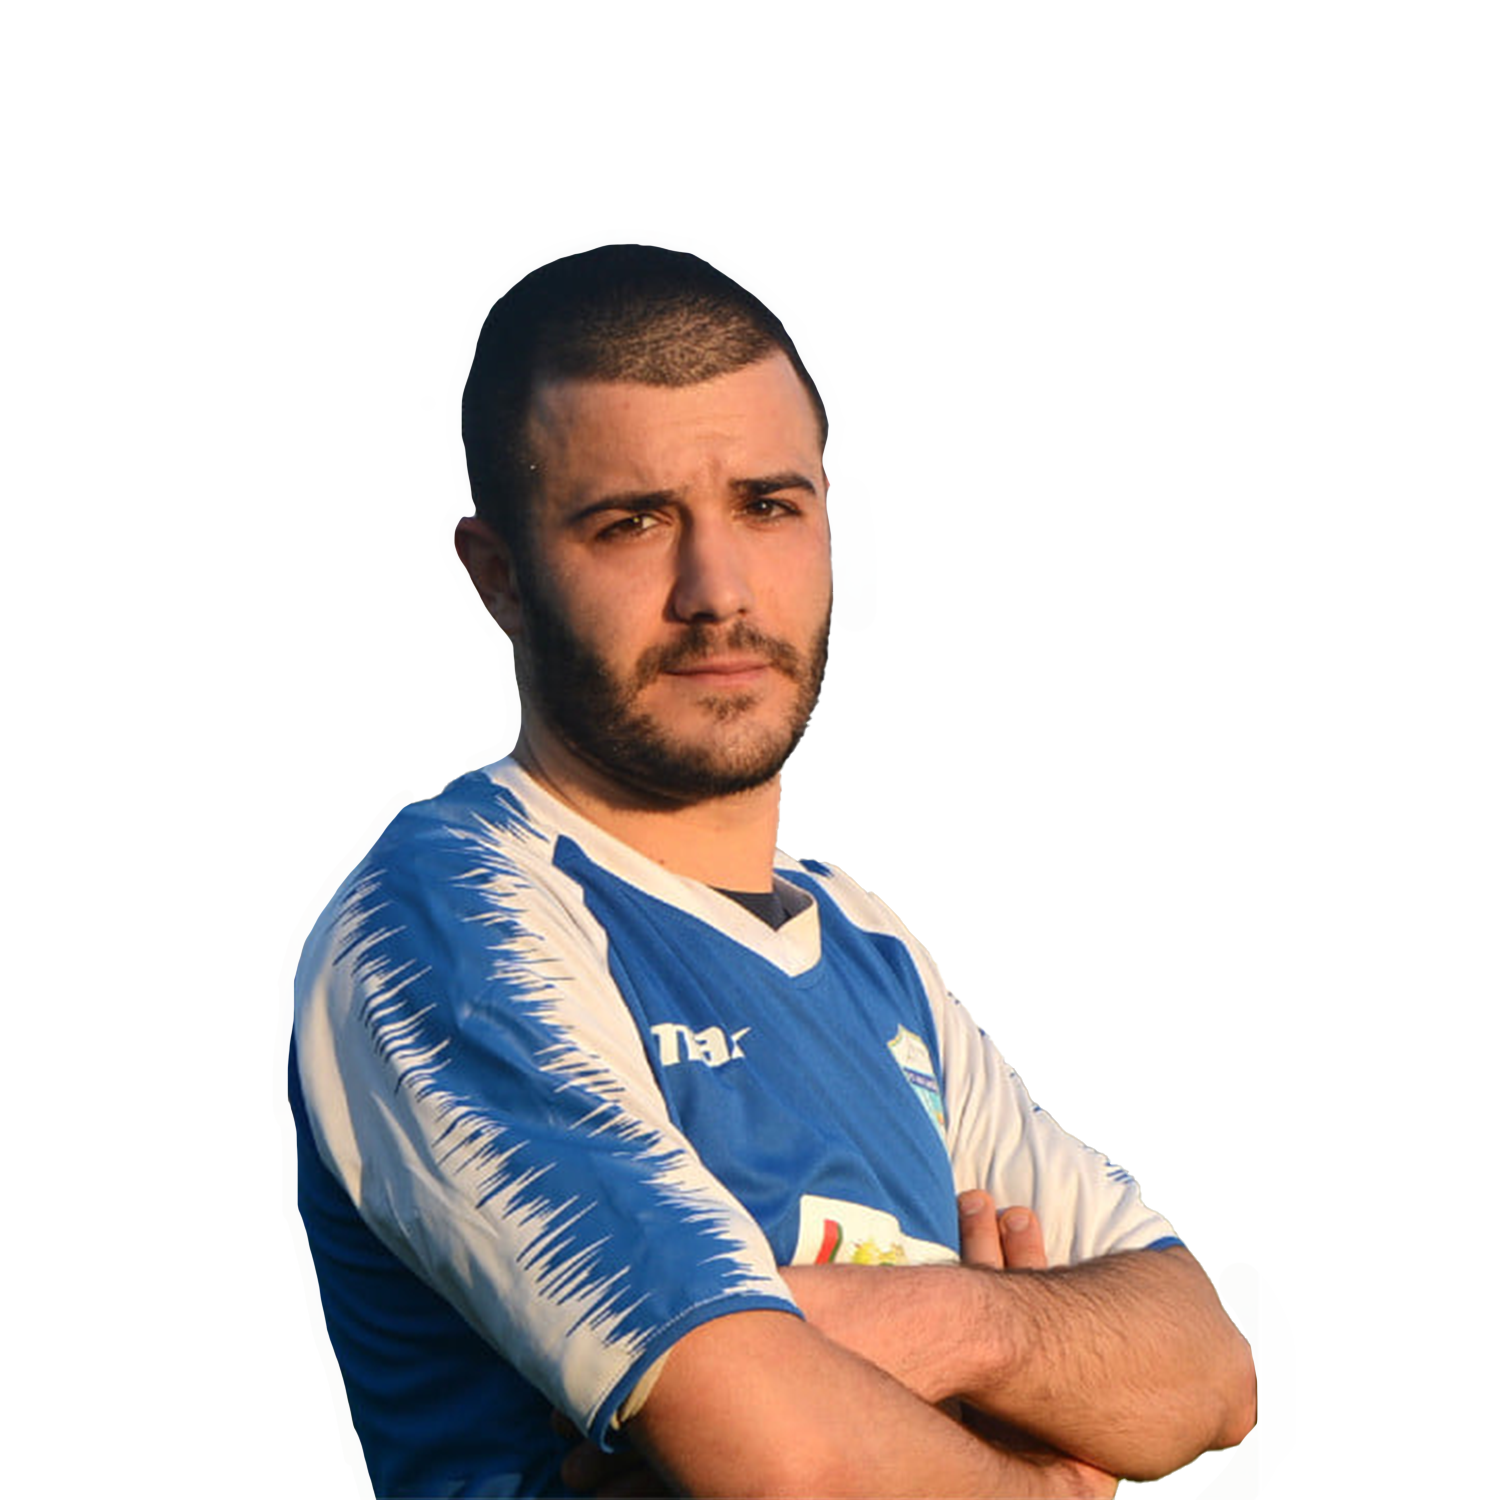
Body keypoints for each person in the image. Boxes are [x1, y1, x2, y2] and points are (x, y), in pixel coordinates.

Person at [284, 237, 1256, 1499]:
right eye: (632, 523)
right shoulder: (448, 919)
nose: (719, 588)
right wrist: (1037, 1470)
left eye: (767, 506)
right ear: (499, 576)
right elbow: (793, 1462)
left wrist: (964, 1325)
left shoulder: (866, 946)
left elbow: (1207, 1370)